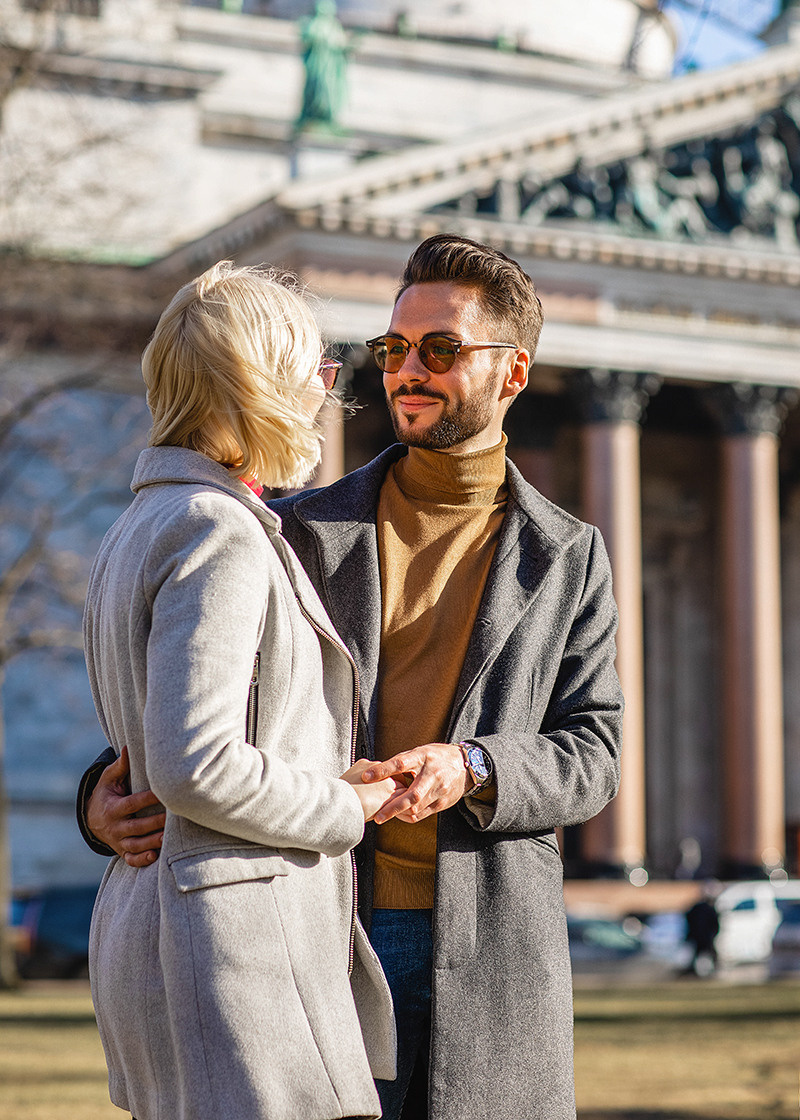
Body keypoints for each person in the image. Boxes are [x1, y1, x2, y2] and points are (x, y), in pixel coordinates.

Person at [79, 234, 624, 1120]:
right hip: (313, 927)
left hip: (485, 947)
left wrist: (473, 768)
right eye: (394, 349)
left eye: (440, 350)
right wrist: (98, 804)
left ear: (512, 372)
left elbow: (592, 752)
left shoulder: (570, 556)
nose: (407, 371)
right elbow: (185, 721)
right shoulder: (285, 525)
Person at [81, 261, 399, 1120]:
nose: (326, 395)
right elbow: (197, 763)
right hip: (236, 959)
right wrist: (346, 805)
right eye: (316, 373)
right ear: (262, 382)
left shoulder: (140, 524)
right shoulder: (218, 530)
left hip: (160, 937)